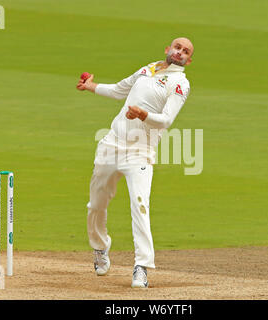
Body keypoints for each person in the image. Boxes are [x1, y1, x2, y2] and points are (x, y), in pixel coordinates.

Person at [76, 37, 194, 288]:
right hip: (111, 145)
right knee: (96, 204)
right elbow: (119, 90)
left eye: (185, 51)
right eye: (177, 47)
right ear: (167, 49)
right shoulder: (149, 68)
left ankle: (142, 266)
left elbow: (166, 120)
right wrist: (91, 86)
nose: (180, 52)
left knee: (140, 205)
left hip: (140, 150)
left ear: (188, 60)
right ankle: (100, 247)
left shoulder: (180, 83)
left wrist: (143, 114)